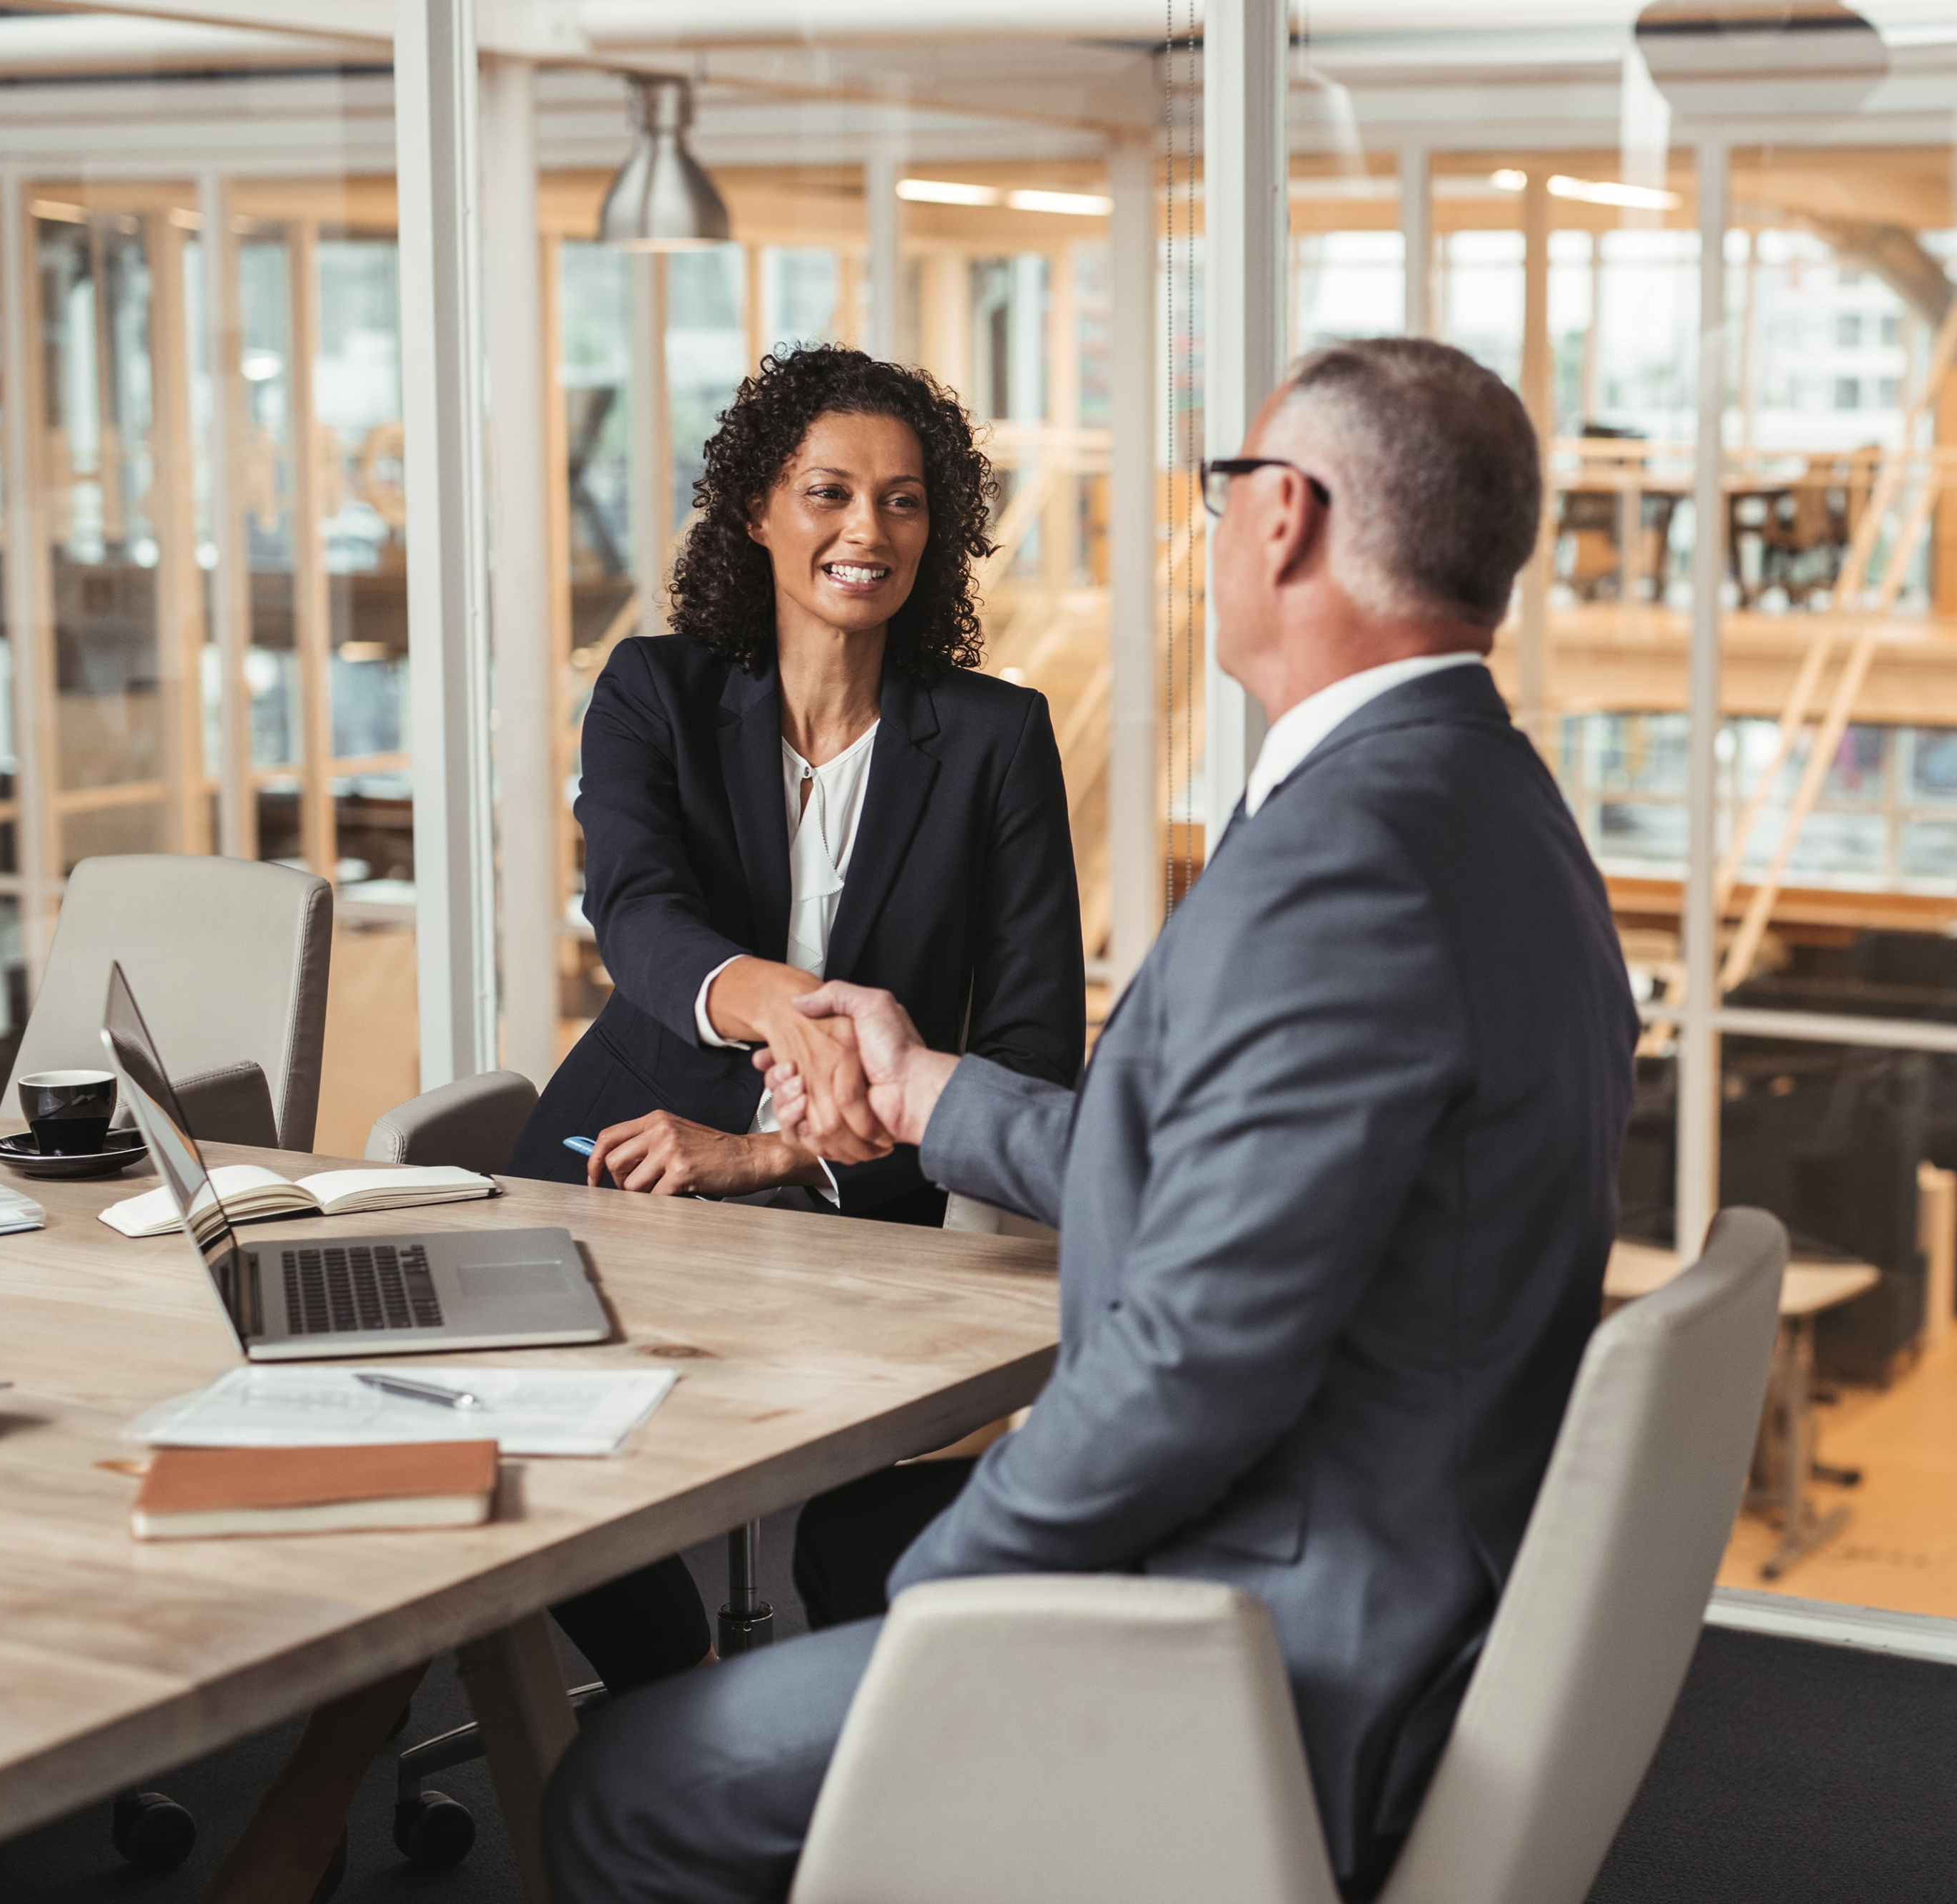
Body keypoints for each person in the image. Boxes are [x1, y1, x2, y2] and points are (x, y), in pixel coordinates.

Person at [542, 337, 1640, 1904]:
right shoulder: (1486, 804)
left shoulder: (1344, 860)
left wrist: (941, 1608)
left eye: (1225, 488)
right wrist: (920, 1087)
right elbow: (1208, 1171)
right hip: (1389, 1548)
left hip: (1269, 1628)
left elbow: (1194, 1359)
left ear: (1287, 522)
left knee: (631, 1787)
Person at [515, 344, 1086, 1694]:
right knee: (495, 1396)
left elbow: (1031, 1040)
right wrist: (788, 1011)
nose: (864, 531)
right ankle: (674, 1672)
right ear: (760, 512)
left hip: (863, 1192)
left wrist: (788, 1152)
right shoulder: (654, 691)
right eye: (828, 492)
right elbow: (639, 913)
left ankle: (704, 1732)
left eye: (902, 501)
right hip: (624, 1142)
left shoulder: (997, 737)